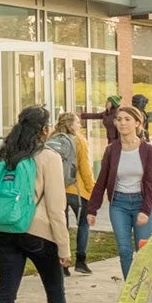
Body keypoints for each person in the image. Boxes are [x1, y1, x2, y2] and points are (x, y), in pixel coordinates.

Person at [0, 106, 89, 303]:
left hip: (3, 230)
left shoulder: (4, 155)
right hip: (38, 234)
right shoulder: (48, 157)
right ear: (45, 130)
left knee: (6, 295)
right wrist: (65, 248)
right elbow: (57, 208)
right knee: (55, 290)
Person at [86, 106, 152, 303]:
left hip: (141, 202)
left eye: (127, 119)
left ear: (138, 123)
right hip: (119, 203)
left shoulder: (148, 151)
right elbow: (101, 180)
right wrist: (92, 209)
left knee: (143, 251)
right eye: (119, 119)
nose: (122, 123)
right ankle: (133, 293)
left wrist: (145, 211)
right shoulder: (112, 150)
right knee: (124, 250)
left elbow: (150, 184)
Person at [52, 112, 96, 274]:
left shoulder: (52, 140)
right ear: (71, 125)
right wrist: (92, 190)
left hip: (57, 190)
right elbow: (85, 168)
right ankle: (81, 261)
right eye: (78, 122)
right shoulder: (79, 141)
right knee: (83, 223)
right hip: (77, 190)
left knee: (61, 226)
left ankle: (62, 263)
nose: (80, 125)